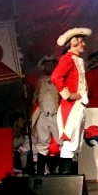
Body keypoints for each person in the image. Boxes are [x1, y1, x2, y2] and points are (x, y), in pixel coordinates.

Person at [51, 27, 91, 175]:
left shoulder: (76, 59)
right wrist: (67, 95)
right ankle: (67, 177)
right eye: (81, 41)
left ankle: (73, 179)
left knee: (76, 144)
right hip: (71, 106)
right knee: (70, 142)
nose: (83, 44)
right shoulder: (67, 59)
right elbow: (56, 77)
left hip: (79, 105)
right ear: (73, 43)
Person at [30, 56, 60, 175]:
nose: (49, 67)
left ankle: (63, 169)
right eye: (47, 64)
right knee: (42, 143)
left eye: (51, 64)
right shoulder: (39, 79)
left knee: (62, 142)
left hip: (56, 113)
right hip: (43, 113)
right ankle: (41, 171)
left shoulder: (59, 78)